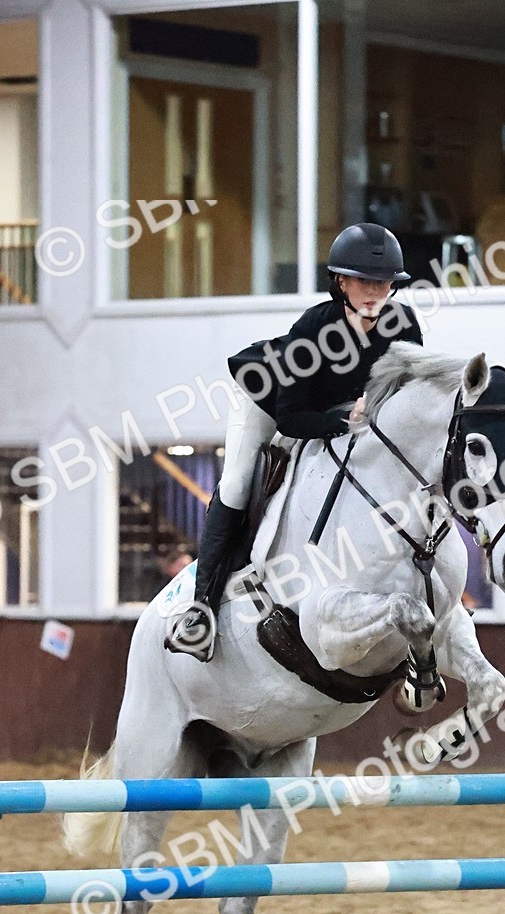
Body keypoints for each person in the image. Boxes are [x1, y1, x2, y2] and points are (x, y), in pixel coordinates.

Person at [165, 222, 423, 662]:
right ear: (340, 281)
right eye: (364, 280)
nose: (375, 291)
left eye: (383, 282)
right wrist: (344, 417)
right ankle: (201, 608)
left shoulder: (403, 325)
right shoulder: (313, 329)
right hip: (270, 400)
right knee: (236, 482)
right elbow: (291, 417)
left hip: (340, 418)